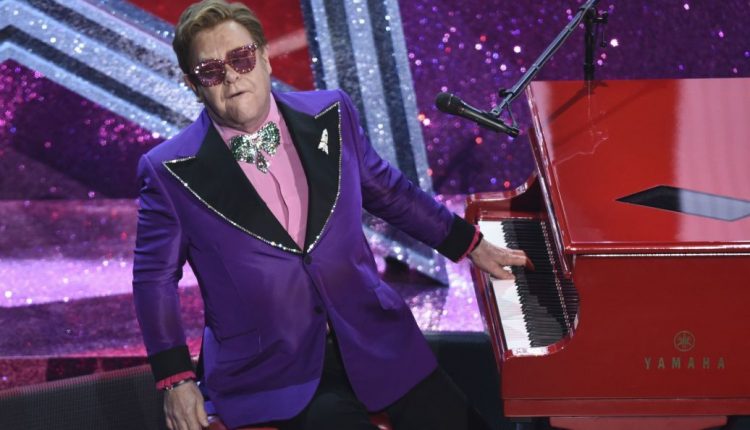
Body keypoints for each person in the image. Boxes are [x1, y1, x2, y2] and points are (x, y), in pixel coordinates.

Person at [132, 1, 531, 429]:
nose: (231, 77)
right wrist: (175, 379)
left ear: (264, 58)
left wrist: (470, 243)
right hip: (268, 372)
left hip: (376, 341)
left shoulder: (331, 114)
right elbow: (154, 280)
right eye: (211, 71)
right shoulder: (168, 170)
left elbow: (388, 191)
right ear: (193, 85)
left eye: (241, 58)